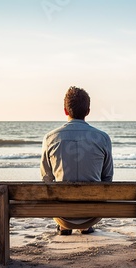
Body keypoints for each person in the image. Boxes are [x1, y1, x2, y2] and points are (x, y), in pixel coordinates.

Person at [40, 86, 114, 235]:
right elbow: (107, 178)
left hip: (62, 215)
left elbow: (46, 179)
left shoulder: (50, 138)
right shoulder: (103, 137)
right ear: (88, 111)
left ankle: (65, 226)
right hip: (92, 215)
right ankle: (85, 226)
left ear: (65, 111)